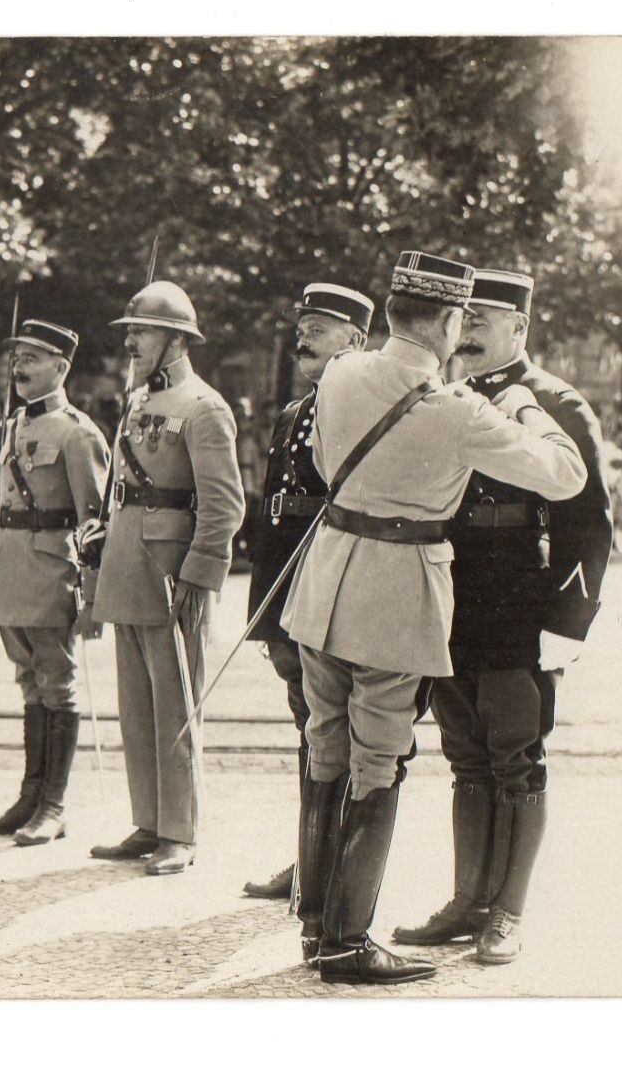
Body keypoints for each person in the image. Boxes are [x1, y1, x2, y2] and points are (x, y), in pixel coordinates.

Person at [279, 251, 587, 985]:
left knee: (324, 751)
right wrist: (520, 407)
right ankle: (349, 942)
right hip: (394, 596)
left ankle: (315, 924)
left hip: (324, 582)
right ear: (449, 321)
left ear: (388, 314)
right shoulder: (457, 410)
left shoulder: (341, 372)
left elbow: (322, 468)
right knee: (376, 762)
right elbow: (564, 473)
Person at [389, 269, 611, 965]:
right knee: (464, 753)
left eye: (488, 317)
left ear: (519, 326)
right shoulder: (444, 397)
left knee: (516, 755)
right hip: (452, 590)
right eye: (467, 316)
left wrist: (565, 620)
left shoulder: (553, 399)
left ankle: (507, 911)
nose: (474, 328)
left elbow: (589, 522)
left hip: (518, 596)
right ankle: (467, 900)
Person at [85, 280, 245, 876]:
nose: (130, 342)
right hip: (130, 563)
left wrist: (197, 578)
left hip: (172, 571)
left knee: (175, 702)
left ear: (176, 340)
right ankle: (148, 821)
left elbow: (225, 507)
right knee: (137, 703)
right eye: (130, 331)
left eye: (142, 332)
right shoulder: (137, 403)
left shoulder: (204, 407)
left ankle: (180, 831)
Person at [239, 282, 374, 900]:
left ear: (357, 341)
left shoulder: (370, 412)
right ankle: (309, 858)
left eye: (319, 327)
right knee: (307, 729)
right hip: (290, 594)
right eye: (303, 326)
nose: (304, 338)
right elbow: (271, 517)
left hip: (336, 587)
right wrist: (263, 619)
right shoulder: (294, 414)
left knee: (342, 733)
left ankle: (335, 867)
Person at [0, 319, 109, 845]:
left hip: (52, 570)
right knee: (28, 681)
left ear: (62, 367)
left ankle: (54, 804)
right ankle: (30, 795)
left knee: (57, 682)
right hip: (9, 567)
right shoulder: (12, 427)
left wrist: (93, 594)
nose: (20, 367)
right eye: (17, 357)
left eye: (33, 358)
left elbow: (94, 523)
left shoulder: (78, 433)